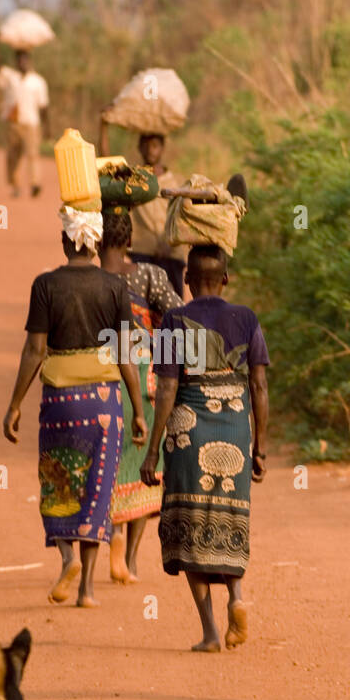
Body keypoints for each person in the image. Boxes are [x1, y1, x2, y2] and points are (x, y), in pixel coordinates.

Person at [141, 177, 268, 652]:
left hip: (187, 431)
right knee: (229, 519)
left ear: (187, 282)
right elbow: (259, 385)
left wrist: (152, 451)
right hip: (234, 426)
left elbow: (168, 386)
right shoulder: (247, 319)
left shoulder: (175, 320)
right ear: (226, 280)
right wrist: (260, 447)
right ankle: (237, 593)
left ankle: (211, 632)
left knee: (189, 527)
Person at [3, 205, 147, 607]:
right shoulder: (115, 287)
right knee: (98, 491)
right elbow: (124, 355)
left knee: (60, 482)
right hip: (104, 403)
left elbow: (35, 350)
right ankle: (87, 591)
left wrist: (14, 404)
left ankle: (67, 558)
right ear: (97, 243)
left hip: (61, 402)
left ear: (65, 240)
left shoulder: (45, 285)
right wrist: (137, 409)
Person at [96, 177, 181, 583]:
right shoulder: (148, 275)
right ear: (130, 239)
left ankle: (109, 534)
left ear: (96, 241)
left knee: (108, 461)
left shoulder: (87, 279)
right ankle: (129, 559)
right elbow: (176, 318)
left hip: (99, 375)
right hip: (142, 375)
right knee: (146, 463)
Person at [98, 123, 186, 297]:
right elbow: (106, 165)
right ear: (139, 147)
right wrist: (104, 127)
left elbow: (181, 219)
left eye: (155, 146)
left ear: (162, 148)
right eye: (146, 145)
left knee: (173, 312)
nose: (150, 150)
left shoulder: (175, 182)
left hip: (170, 255)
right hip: (142, 253)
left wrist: (169, 243)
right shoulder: (133, 180)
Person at [0, 46, 49, 198]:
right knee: (13, 155)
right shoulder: (10, 77)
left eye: (25, 59)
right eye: (19, 59)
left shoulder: (38, 81)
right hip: (13, 122)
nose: (22, 62)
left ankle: (35, 183)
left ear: (29, 61)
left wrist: (47, 127)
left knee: (33, 154)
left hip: (31, 122)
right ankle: (15, 185)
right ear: (16, 62)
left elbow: (43, 106)